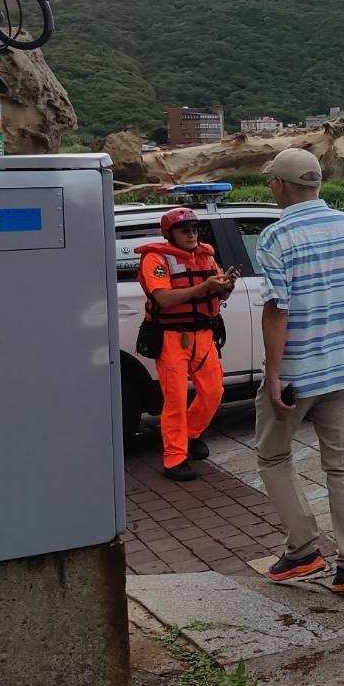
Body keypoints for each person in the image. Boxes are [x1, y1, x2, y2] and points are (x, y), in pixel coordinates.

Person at [255, 148, 344, 597]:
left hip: (296, 373)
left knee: (273, 456)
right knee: (343, 465)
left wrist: (273, 376)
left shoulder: (276, 237)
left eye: (272, 181)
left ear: (282, 186)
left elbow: (277, 311)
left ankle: (304, 548)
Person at [137, 206, 237, 481]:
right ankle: (174, 459)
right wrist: (205, 288)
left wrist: (226, 286)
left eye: (194, 229)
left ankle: (190, 434)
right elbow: (164, 299)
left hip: (203, 334)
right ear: (170, 234)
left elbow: (219, 292)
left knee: (213, 392)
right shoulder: (155, 258)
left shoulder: (206, 255)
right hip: (171, 336)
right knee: (175, 400)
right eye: (185, 230)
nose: (192, 234)